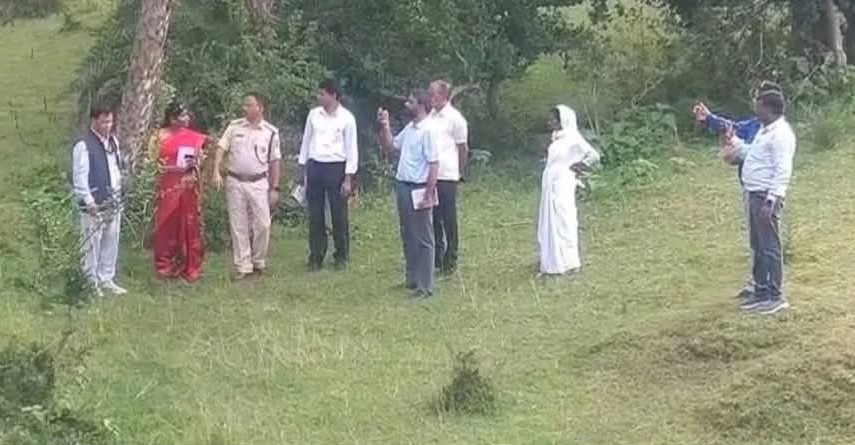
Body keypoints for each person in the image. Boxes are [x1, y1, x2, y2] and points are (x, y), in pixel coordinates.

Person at [693, 80, 784, 298]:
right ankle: (758, 286)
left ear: (767, 104)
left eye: (758, 99)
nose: (754, 103)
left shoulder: (775, 133)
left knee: (768, 243)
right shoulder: (759, 126)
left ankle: (772, 292)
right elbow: (733, 127)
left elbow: (751, 153)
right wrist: (710, 119)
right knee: (757, 241)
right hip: (753, 190)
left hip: (766, 192)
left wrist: (733, 142)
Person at [721, 88, 795, 315]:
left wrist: (771, 201)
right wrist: (733, 140)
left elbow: (783, 170)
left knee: (770, 247)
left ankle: (775, 296)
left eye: (758, 105)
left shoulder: (780, 134)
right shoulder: (765, 130)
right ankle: (761, 291)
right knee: (759, 246)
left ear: (769, 108)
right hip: (755, 194)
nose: (755, 109)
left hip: (765, 197)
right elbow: (752, 153)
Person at [212, 93, 282, 281]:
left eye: (249, 105)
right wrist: (216, 171)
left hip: (258, 182)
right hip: (235, 181)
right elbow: (221, 148)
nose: (245, 108)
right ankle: (243, 265)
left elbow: (275, 161)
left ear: (260, 108)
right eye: (245, 105)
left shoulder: (270, 132)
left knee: (263, 224)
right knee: (238, 224)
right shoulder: (235, 127)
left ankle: (258, 260)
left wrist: (275, 187)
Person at [377, 90, 440, 298]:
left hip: (419, 187)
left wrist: (428, 193)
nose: (406, 104)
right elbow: (391, 145)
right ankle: (412, 277)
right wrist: (385, 125)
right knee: (408, 233)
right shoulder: (411, 128)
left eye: (410, 101)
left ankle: (425, 286)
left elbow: (434, 164)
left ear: (421, 105)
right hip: (403, 185)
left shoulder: (428, 130)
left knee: (423, 237)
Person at [297, 78, 358, 271]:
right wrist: (303, 168)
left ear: (333, 95)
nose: (319, 97)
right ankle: (316, 255)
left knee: (338, 213)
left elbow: (351, 150)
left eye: (322, 93)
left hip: (336, 166)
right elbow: (306, 141)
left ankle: (341, 254)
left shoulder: (346, 118)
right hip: (315, 165)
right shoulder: (314, 115)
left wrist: (348, 178)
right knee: (315, 214)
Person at [148, 101, 209, 282]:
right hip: (167, 185)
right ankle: (165, 265)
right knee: (166, 225)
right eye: (182, 115)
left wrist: (197, 163)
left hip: (188, 185)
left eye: (187, 115)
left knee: (189, 224)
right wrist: (169, 169)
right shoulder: (159, 137)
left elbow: (202, 161)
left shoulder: (194, 137)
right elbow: (151, 162)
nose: (186, 119)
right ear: (172, 118)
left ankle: (189, 264)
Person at [71, 104, 127, 296]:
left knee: (111, 240)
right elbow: (80, 176)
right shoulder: (84, 145)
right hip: (94, 203)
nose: (107, 126)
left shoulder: (113, 142)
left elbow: (116, 168)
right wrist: (88, 200)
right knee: (91, 244)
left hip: (113, 200)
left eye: (110, 121)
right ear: (94, 121)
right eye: (104, 122)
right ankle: (90, 281)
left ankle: (106, 277)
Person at [538, 105, 600, 276]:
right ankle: (551, 261)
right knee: (550, 219)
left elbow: (593, 155)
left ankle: (569, 261)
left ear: (562, 120)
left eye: (553, 119)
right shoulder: (556, 138)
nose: (549, 122)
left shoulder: (573, 137)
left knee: (564, 219)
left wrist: (578, 166)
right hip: (550, 183)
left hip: (563, 182)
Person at [428, 79, 468, 274]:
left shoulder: (455, 118)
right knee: (434, 217)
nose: (430, 97)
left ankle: (451, 256)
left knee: (448, 217)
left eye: (432, 94)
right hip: (431, 174)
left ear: (443, 95)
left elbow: (462, 147)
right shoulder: (430, 116)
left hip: (447, 174)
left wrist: (459, 171)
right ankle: (436, 255)